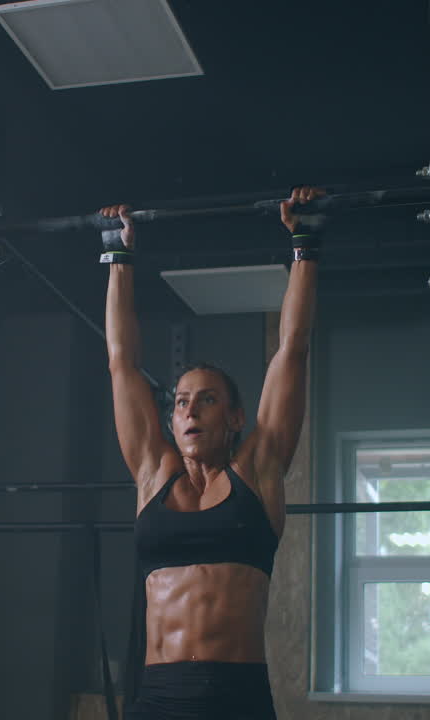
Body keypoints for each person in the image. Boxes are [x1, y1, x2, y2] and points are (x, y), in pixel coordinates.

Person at [102, 186, 322, 720]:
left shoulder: (260, 471)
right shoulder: (153, 475)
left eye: (207, 399)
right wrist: (120, 254)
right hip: (156, 699)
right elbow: (121, 361)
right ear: (171, 419)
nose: (191, 410)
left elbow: (291, 348)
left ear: (236, 418)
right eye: (180, 402)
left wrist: (304, 243)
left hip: (237, 700)